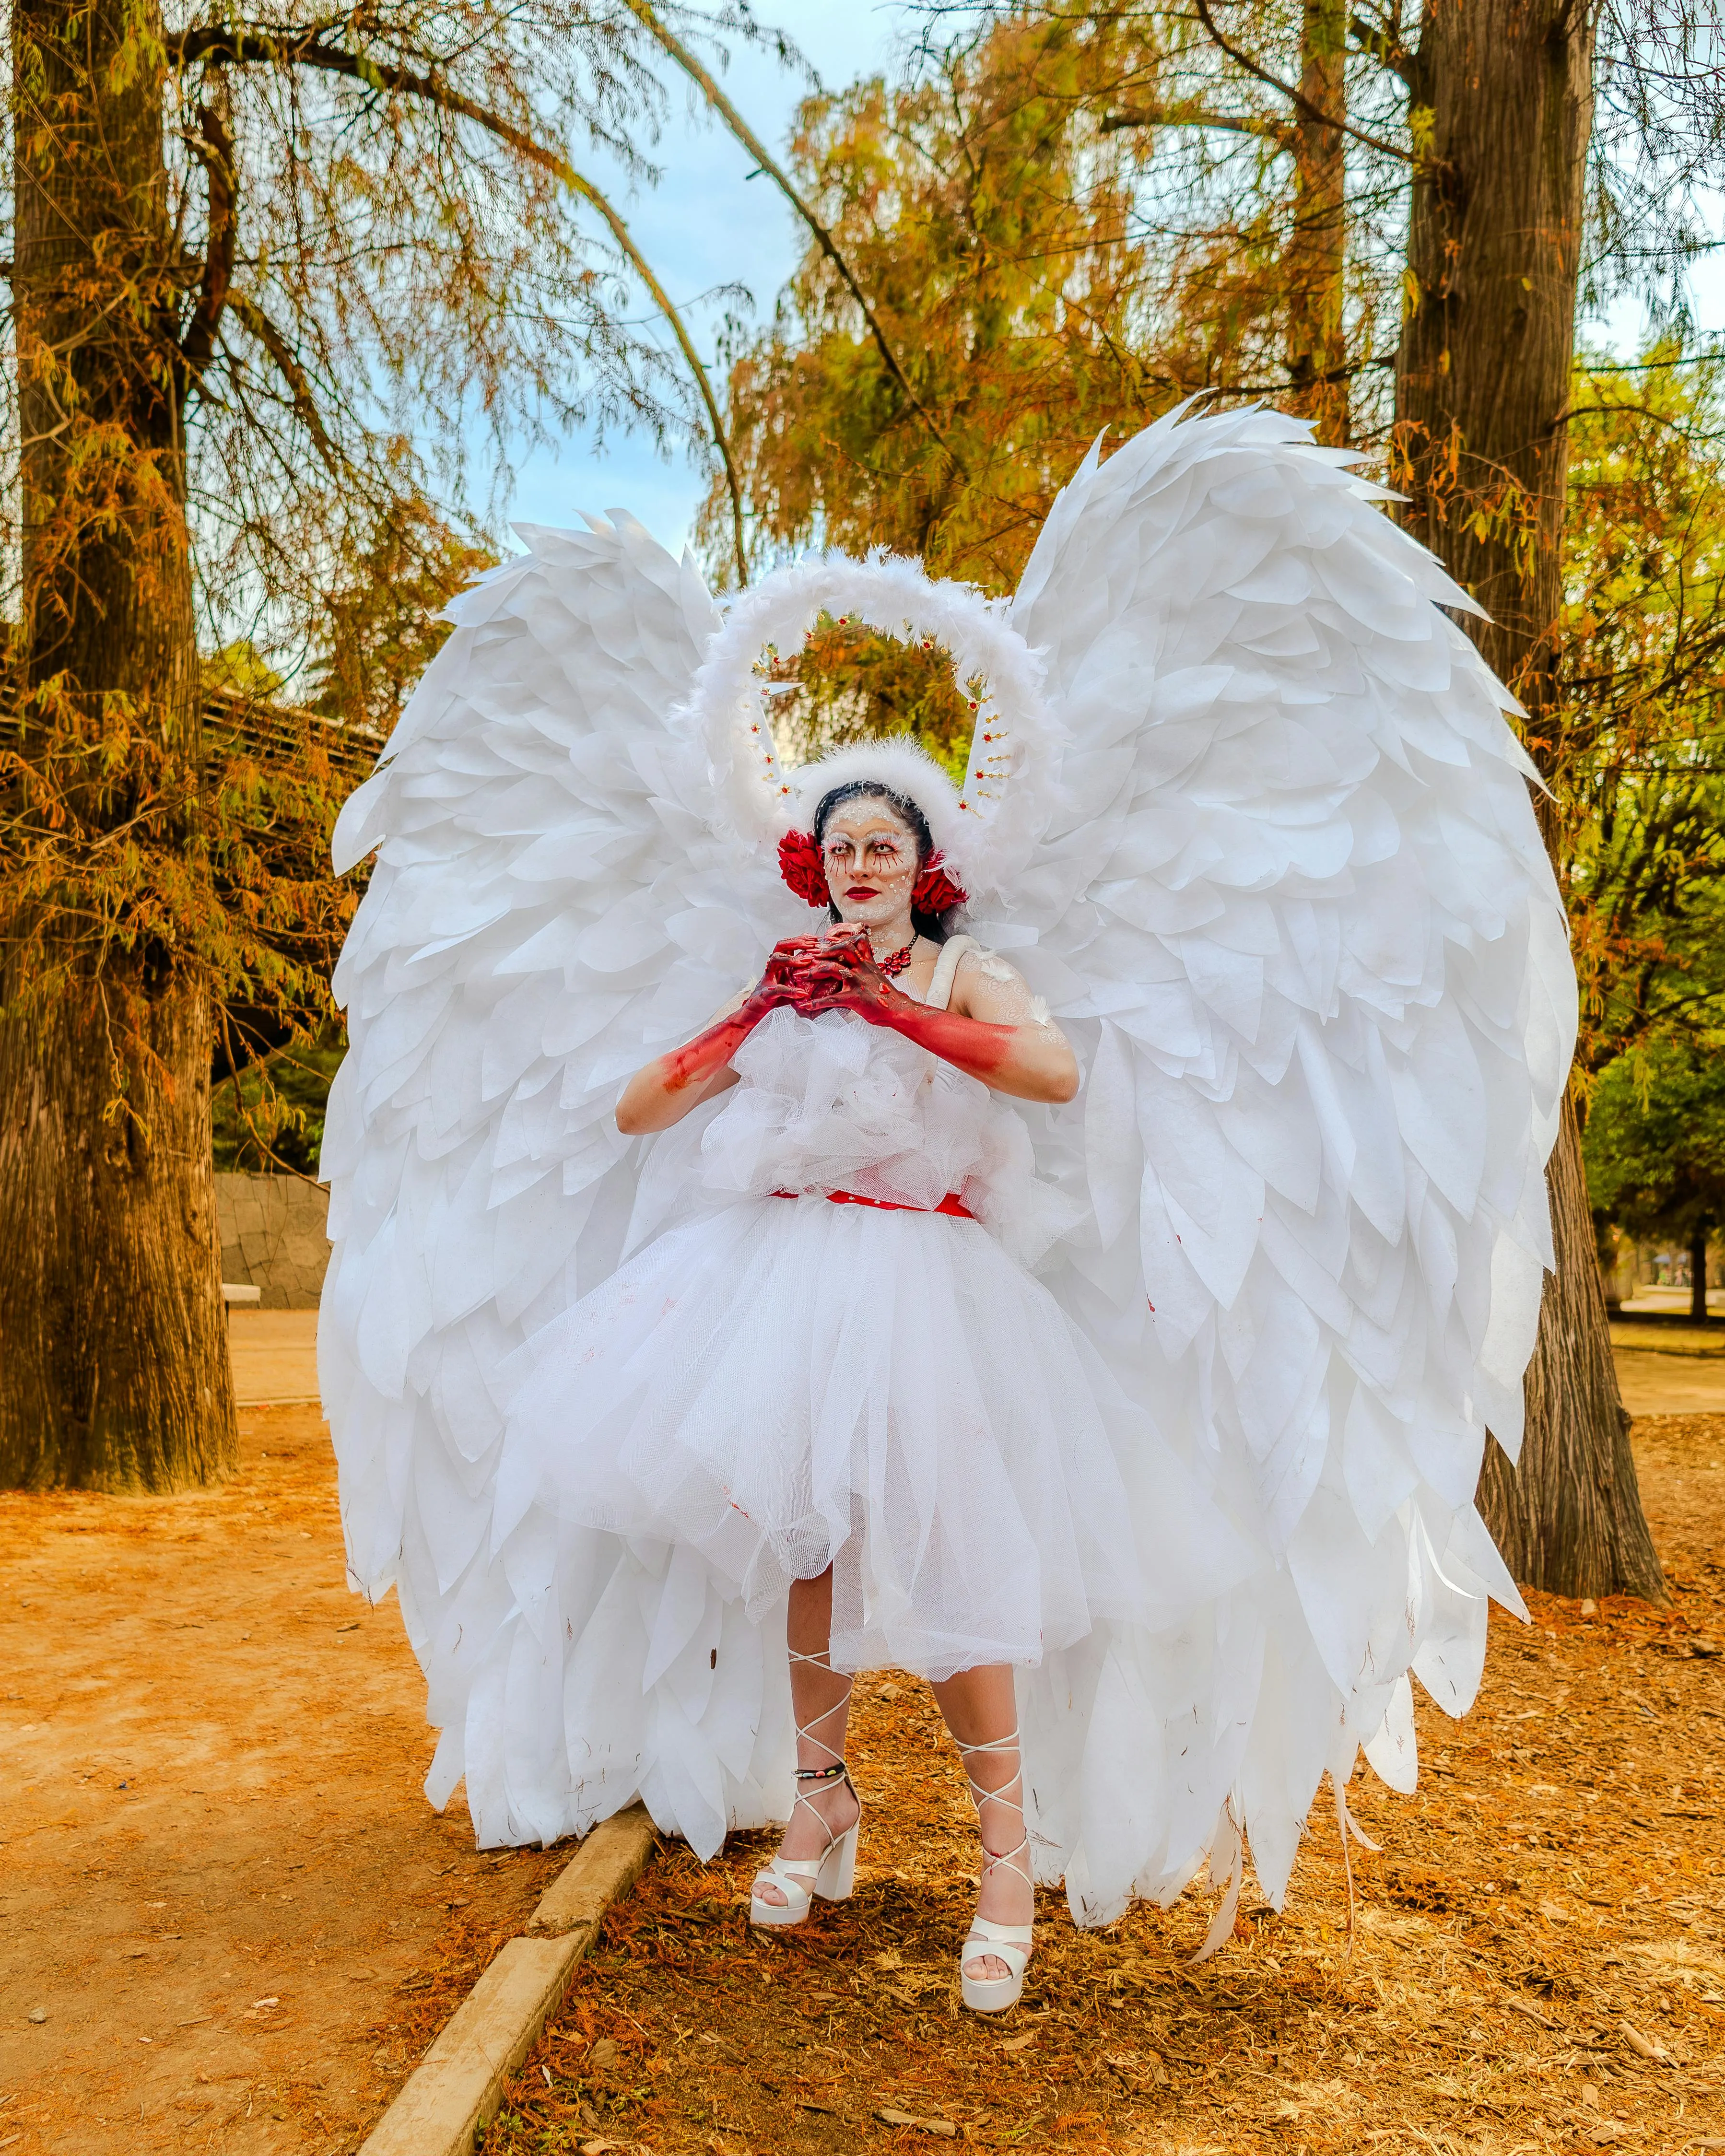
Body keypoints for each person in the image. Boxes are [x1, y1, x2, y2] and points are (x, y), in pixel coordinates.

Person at [321, 405, 1575, 2007]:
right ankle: (825, 1808)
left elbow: (1046, 1076)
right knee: (804, 1554)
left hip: (927, 1292)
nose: (858, 864)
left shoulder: (958, 969)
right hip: (773, 1280)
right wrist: (751, 1019)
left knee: (963, 1562)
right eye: (837, 843)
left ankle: (999, 1858)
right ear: (812, 861)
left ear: (925, 864)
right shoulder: (783, 976)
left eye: (883, 845)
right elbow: (641, 1103)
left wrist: (897, 1015)